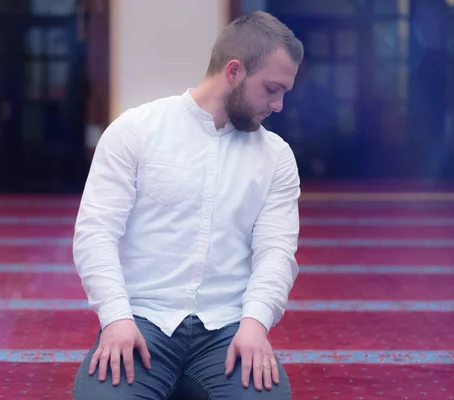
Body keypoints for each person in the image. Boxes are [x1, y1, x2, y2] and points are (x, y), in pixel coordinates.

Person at [72, 10, 304, 400]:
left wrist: (255, 324)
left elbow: (276, 252)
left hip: (229, 330)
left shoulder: (276, 157)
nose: (279, 105)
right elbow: (96, 233)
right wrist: (115, 318)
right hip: (141, 321)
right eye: (271, 89)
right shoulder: (136, 131)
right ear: (234, 72)